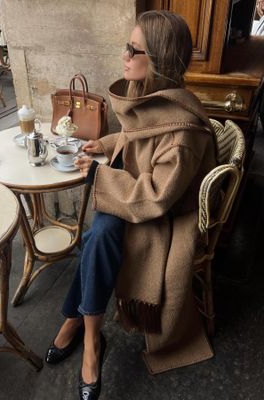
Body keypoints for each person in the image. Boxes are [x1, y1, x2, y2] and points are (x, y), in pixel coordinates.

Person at [45, 10, 217, 400]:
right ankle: (83, 329)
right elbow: (134, 136)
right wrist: (103, 146)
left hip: (163, 216)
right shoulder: (152, 99)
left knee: (99, 234)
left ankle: (85, 336)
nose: (124, 54)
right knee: (99, 236)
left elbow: (157, 196)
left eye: (132, 49)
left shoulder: (184, 131)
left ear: (156, 58)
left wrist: (98, 174)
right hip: (132, 196)